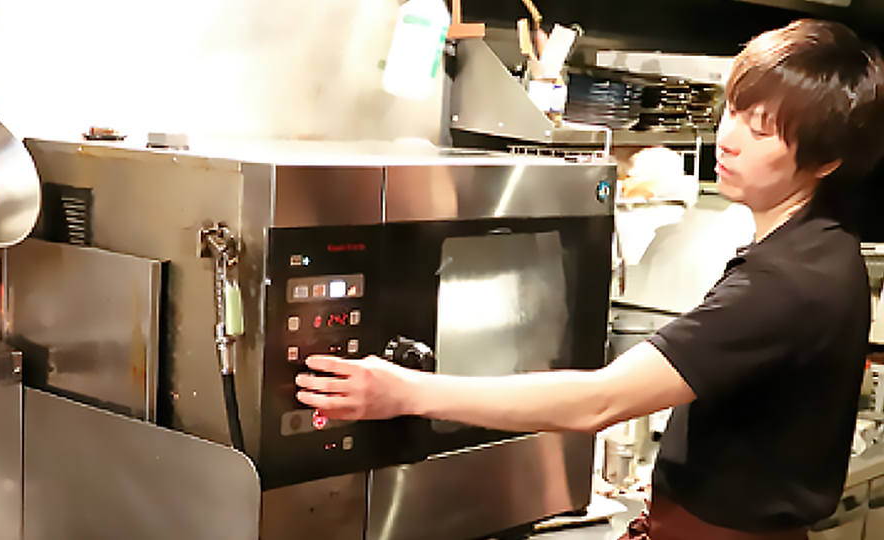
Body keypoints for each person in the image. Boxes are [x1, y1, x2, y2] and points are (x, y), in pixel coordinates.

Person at [296, 19, 884, 540]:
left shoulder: (786, 281)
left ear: (825, 159)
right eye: (733, 110)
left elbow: (600, 401)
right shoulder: (821, 249)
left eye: (761, 131)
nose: (727, 140)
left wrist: (404, 393)